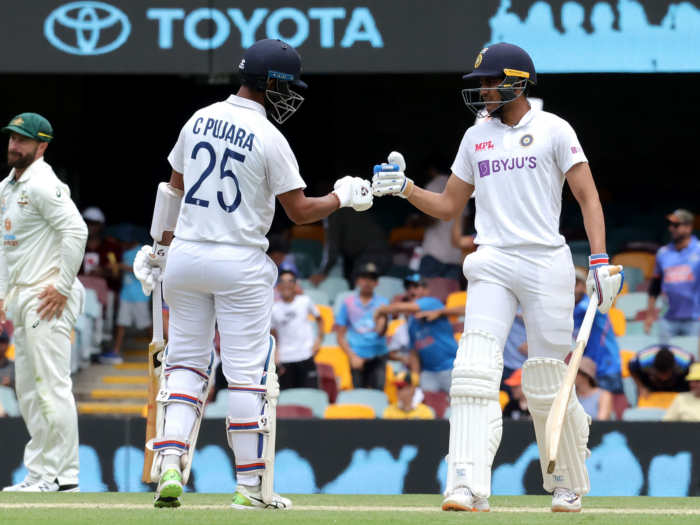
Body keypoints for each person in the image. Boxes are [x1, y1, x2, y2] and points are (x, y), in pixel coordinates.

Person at [371, 43, 623, 512]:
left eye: (490, 81)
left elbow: (587, 197)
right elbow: (449, 205)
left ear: (518, 81)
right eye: (481, 82)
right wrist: (405, 189)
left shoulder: (554, 128)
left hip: (546, 260)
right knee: (472, 370)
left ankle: (568, 479)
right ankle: (466, 483)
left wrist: (599, 260)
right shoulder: (475, 136)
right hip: (491, 260)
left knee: (547, 378)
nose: (483, 89)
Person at [132, 39, 372, 510]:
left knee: (184, 365)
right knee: (245, 376)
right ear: (273, 84)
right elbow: (300, 211)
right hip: (239, 261)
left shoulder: (197, 118)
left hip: (185, 256)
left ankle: (171, 465)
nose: (292, 97)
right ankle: (248, 488)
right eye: (289, 87)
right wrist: (343, 196)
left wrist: (159, 248)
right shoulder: (269, 137)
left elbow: (172, 189)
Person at [0, 113, 87, 492]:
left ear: (42, 146)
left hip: (47, 296)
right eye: (12, 138)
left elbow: (76, 230)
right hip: (24, 296)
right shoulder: (8, 186)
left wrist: (63, 285)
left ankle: (62, 476)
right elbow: (8, 247)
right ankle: (40, 473)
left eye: (22, 140)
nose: (14, 145)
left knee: (50, 387)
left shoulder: (43, 183)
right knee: (29, 391)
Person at [375, 274, 457, 393]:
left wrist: (381, 310)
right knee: (427, 408)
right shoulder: (411, 324)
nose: (411, 291)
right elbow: (414, 354)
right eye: (409, 288)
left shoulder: (431, 303)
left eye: (416, 286)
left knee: (461, 406)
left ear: (426, 290)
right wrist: (415, 379)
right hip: (429, 373)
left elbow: (400, 307)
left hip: (450, 367)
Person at [644, 209, 700, 342]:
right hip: (668, 319)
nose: (671, 228)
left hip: (695, 318)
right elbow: (655, 287)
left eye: (676, 225)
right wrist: (650, 315)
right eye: (670, 225)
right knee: (665, 359)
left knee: (695, 360)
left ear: (688, 227)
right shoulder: (663, 253)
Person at [336, 263, 389, 389]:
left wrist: (382, 317)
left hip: (378, 355)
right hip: (356, 354)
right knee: (358, 395)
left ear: (376, 283)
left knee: (378, 394)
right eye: (364, 278)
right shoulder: (348, 303)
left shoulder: (383, 303)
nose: (367, 282)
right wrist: (352, 356)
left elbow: (381, 331)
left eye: (372, 279)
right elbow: (340, 336)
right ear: (358, 281)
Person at [101, 232, 152, 364]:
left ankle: (157, 352)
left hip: (140, 295)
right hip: (126, 293)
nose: (121, 244)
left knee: (146, 325)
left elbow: (144, 270)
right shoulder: (124, 252)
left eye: (122, 242)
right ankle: (116, 351)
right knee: (121, 323)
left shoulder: (144, 251)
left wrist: (119, 266)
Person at [270, 270, 323, 389]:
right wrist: (276, 354)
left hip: (306, 356)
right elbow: (272, 333)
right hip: (285, 359)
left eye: (290, 281)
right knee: (287, 398)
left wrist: (318, 340)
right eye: (283, 282)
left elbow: (319, 319)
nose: (286, 285)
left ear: (295, 285)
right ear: (278, 287)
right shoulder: (274, 309)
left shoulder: (305, 301)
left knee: (310, 394)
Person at [573, 268, 623, 393]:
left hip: (607, 367)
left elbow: (582, 310)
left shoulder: (591, 304)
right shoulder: (571, 309)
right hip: (588, 369)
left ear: (583, 286)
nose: (572, 289)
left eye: (575, 284)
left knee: (610, 410)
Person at [628, 344, 694, 397]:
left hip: (677, 380)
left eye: (666, 374)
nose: (664, 379)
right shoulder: (643, 360)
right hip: (652, 380)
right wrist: (641, 387)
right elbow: (631, 368)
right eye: (661, 374)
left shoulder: (685, 362)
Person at [574, 357, 612, 421]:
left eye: (576, 372)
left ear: (585, 375)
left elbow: (601, 421)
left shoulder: (603, 395)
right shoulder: (570, 396)